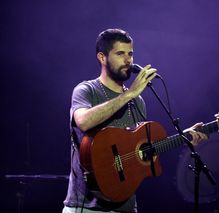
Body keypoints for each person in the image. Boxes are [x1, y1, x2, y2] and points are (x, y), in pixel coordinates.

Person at [62, 28, 208, 213]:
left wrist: (183, 137)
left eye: (130, 53)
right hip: (86, 207)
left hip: (127, 206)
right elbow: (83, 121)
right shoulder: (86, 90)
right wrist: (129, 94)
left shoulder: (138, 102)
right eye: (120, 53)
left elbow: (135, 152)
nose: (128, 60)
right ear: (102, 57)